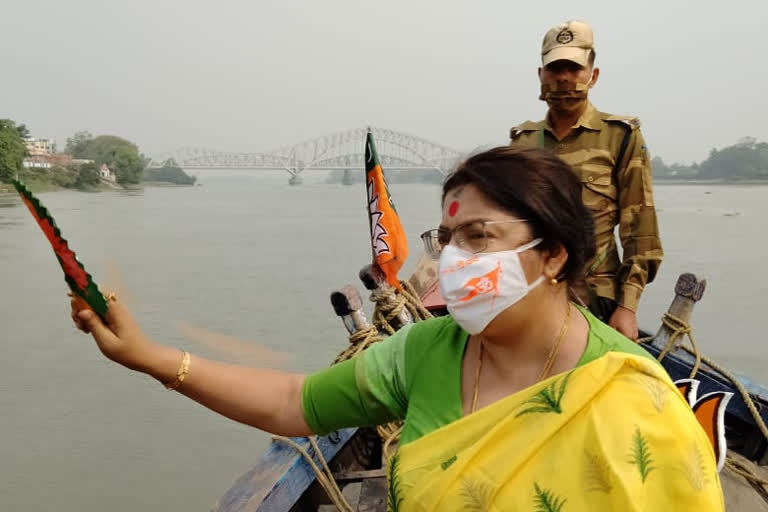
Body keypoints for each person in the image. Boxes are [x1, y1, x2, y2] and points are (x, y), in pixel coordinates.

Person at [72, 147, 722, 511]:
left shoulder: (629, 395)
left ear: (552, 255)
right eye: (447, 239)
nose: (453, 260)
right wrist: (151, 357)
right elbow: (295, 402)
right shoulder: (426, 349)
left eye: (479, 236)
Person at [509, 20, 663, 340]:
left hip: (596, 300)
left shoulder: (620, 136)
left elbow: (641, 230)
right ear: (541, 75)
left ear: (592, 76)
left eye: (574, 68)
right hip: (533, 294)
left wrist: (628, 307)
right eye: (555, 68)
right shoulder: (522, 142)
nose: (564, 77)